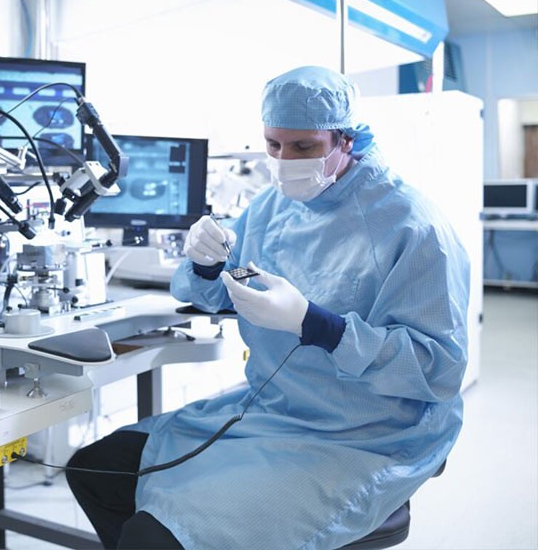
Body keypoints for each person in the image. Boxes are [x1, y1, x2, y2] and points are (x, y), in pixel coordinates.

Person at [66, 65, 469, 549]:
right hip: (268, 411)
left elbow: (439, 369)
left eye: (304, 147)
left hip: (363, 434)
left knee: (155, 538)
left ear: (346, 140)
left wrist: (320, 326)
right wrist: (207, 264)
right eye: (273, 145)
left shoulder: (413, 227)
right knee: (92, 470)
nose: (284, 161)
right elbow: (213, 295)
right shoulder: (272, 205)